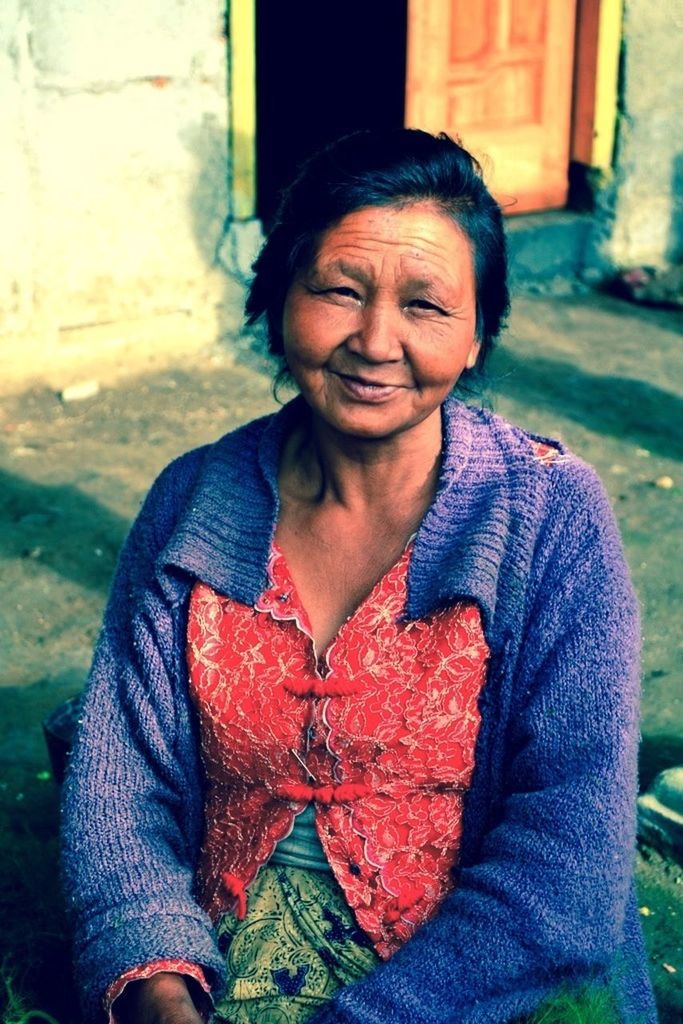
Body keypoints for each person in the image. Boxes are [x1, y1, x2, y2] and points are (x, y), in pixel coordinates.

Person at [61, 129, 657, 1024]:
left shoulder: (548, 515)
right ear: (278, 296)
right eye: (338, 290)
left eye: (425, 306)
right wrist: (156, 982)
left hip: (481, 982)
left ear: (478, 332)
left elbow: (567, 868)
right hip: (222, 964)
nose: (375, 341)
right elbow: (118, 784)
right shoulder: (193, 499)